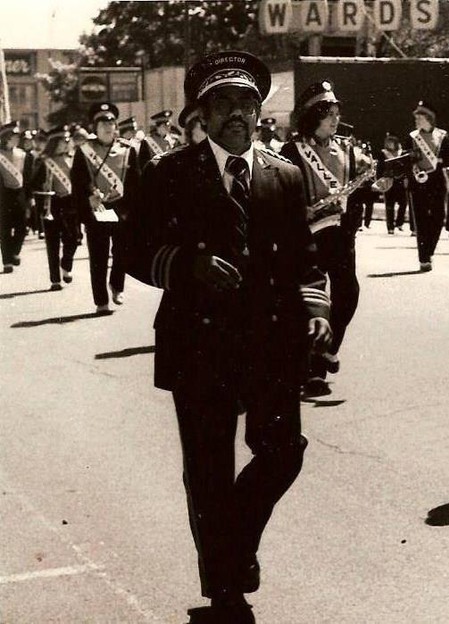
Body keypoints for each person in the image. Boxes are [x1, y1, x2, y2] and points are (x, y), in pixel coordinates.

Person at [126, 51, 331, 624]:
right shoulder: (169, 173)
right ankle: (224, 587)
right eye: (223, 104)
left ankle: (233, 544)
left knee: (284, 452)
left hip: (270, 343)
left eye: (246, 103)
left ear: (260, 112)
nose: (236, 113)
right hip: (199, 344)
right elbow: (132, 251)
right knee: (209, 468)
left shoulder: (284, 176)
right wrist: (188, 265)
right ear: (203, 113)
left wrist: (316, 309)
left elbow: (306, 260)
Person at [281, 81, 364, 397]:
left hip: (341, 235)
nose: (335, 119)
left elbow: (358, 187)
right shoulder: (292, 151)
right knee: (313, 302)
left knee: (348, 294)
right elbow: (281, 191)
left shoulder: (346, 149)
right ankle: (312, 370)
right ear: (312, 116)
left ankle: (326, 351)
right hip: (307, 237)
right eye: (328, 113)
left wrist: (379, 183)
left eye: (336, 112)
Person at [71, 101, 139, 314]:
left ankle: (117, 286)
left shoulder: (128, 150)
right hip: (97, 209)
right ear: (95, 128)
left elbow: (136, 182)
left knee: (123, 252)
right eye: (103, 124)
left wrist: (133, 211)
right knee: (99, 256)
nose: (108, 127)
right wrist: (88, 199)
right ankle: (101, 301)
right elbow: (77, 181)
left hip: (121, 209)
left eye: (111, 123)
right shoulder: (85, 151)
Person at [407, 100, 449, 271]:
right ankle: (424, 257)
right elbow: (406, 159)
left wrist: (440, 161)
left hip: (437, 182)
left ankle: (430, 250)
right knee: (420, 220)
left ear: (429, 118)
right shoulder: (412, 137)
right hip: (417, 182)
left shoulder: (443, 136)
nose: (416, 120)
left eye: (419, 117)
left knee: (438, 217)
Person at [31, 126, 79, 290]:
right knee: (52, 243)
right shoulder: (43, 161)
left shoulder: (73, 159)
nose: (67, 143)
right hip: (51, 203)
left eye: (68, 140)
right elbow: (33, 183)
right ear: (55, 142)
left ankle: (66, 265)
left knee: (73, 238)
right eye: (63, 140)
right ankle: (55, 280)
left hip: (70, 204)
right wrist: (42, 186)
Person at [0, 121, 34, 273]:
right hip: (3, 195)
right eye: (14, 136)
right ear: (6, 137)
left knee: (22, 227)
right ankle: (7, 261)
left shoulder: (22, 155)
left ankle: (14, 251)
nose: (17, 138)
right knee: (5, 228)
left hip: (19, 193)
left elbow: (27, 178)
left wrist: (29, 196)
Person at [376, 132, 408, 234]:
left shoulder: (401, 153)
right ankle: (390, 227)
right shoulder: (383, 153)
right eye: (388, 143)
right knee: (389, 205)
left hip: (400, 181)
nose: (389, 145)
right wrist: (379, 181)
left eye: (391, 142)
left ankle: (399, 222)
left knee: (403, 203)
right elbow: (379, 169)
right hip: (388, 180)